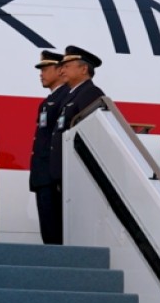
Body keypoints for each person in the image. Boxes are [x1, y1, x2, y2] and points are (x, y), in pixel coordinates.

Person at [46, 45, 106, 244]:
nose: (62, 70)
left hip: (77, 171)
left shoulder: (90, 93)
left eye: (67, 66)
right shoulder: (72, 95)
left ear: (83, 69)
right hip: (64, 171)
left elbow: (91, 132)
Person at [28, 50, 68, 245]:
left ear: (60, 70)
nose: (41, 74)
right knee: (48, 230)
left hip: (52, 176)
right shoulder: (48, 102)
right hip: (43, 176)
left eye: (45, 68)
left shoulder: (65, 98)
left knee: (55, 232)